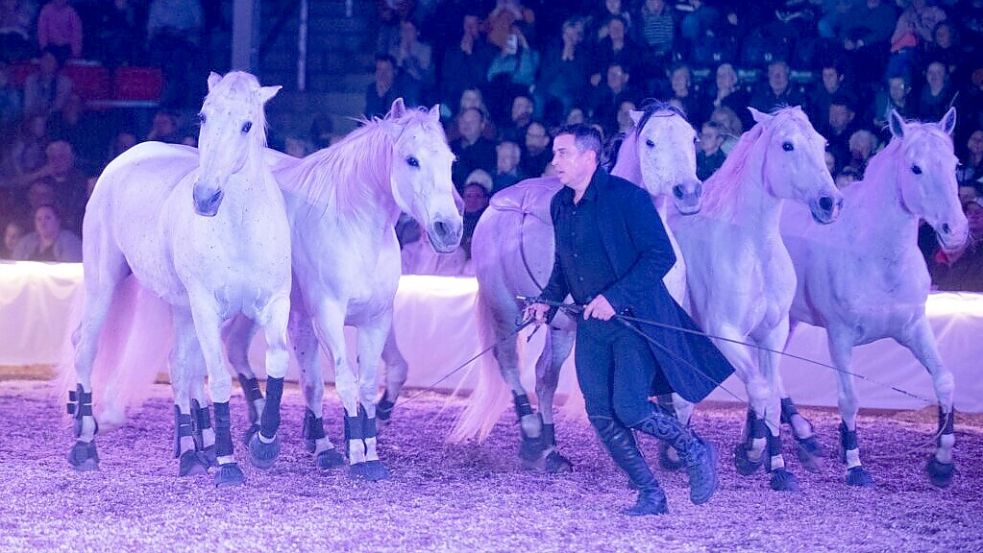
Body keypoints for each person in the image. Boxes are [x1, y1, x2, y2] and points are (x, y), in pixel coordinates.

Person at [526, 124, 730, 516]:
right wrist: (547, 302)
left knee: (632, 408)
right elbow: (564, 266)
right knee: (600, 413)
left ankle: (693, 447)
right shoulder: (560, 204)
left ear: (589, 157)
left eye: (563, 153)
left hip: (634, 324)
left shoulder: (629, 199)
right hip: (592, 327)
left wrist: (613, 298)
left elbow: (660, 256)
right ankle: (650, 492)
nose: (555, 161)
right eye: (555, 153)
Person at [12, 203, 82, 262]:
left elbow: (71, 272)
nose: (43, 223)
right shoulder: (27, 241)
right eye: (39, 219)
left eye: (47, 218)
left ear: (58, 221)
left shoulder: (70, 242)